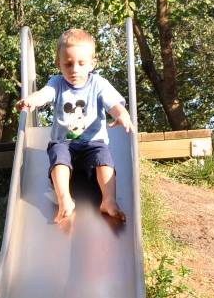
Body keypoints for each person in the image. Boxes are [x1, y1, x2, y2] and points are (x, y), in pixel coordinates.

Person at [17, 28, 133, 227]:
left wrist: (121, 114)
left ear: (92, 64)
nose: (74, 70)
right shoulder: (57, 83)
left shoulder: (99, 84)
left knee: (104, 159)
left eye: (81, 63)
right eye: (68, 64)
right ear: (59, 64)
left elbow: (113, 103)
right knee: (58, 157)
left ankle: (108, 200)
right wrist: (32, 101)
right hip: (64, 143)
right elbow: (44, 94)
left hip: (93, 144)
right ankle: (64, 199)